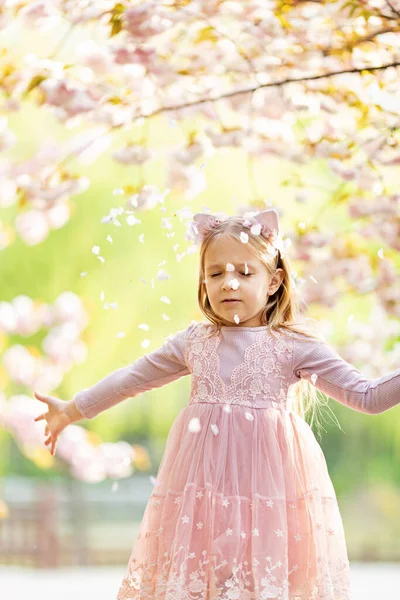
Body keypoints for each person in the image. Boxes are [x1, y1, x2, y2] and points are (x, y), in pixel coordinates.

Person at [33, 208, 400, 600]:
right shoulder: (194, 342)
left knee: (262, 583)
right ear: (203, 280)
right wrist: (72, 409)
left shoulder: (294, 344)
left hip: (270, 495)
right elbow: (132, 379)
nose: (228, 283)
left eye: (245, 273)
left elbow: (367, 396)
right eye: (216, 273)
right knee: (204, 582)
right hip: (202, 495)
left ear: (274, 281)